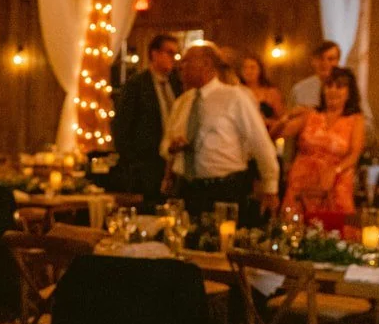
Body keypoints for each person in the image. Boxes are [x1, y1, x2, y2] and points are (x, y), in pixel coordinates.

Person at [162, 41, 281, 222]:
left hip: (223, 190)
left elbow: (260, 143)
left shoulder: (234, 97)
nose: (181, 67)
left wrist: (270, 188)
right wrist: (172, 147)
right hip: (186, 189)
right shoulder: (182, 103)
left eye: (187, 62)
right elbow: (165, 144)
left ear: (206, 64)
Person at [277, 67, 365, 216]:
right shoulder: (311, 114)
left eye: (339, 87)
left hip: (336, 182)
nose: (333, 91)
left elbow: (355, 154)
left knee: (335, 225)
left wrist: (335, 171)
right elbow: (279, 133)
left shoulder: (356, 119)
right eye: (329, 86)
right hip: (302, 181)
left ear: (349, 93)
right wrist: (286, 117)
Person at [112, 33, 182, 210]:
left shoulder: (177, 84)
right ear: (155, 54)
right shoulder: (137, 85)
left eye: (176, 54)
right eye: (169, 52)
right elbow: (121, 127)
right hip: (146, 164)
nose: (173, 58)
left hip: (173, 163)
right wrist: (133, 163)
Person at [290, 39, 342, 110]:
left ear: (338, 61)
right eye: (320, 58)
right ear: (313, 61)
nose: (325, 63)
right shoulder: (299, 90)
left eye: (330, 59)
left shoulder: (347, 89)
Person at [238, 53, 284, 124]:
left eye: (252, 68)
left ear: (260, 70)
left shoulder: (271, 92)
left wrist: (265, 122)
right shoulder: (237, 91)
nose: (248, 71)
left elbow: (282, 118)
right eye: (245, 68)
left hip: (268, 128)